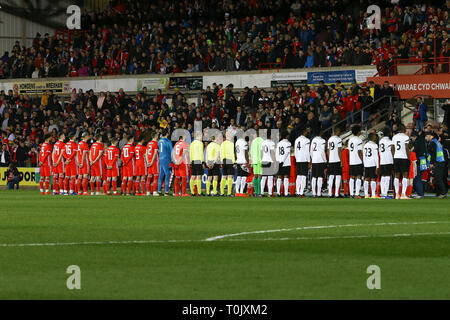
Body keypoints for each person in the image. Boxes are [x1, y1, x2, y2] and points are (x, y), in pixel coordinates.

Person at [425, 132, 447, 198]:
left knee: (438, 178)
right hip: (441, 162)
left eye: (427, 136)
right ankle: (440, 193)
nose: (426, 137)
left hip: (438, 162)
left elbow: (433, 154)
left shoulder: (432, 143)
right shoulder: (437, 142)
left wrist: (432, 163)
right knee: (439, 178)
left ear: (431, 136)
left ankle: (443, 193)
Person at [392, 124, 411, 200]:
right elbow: (406, 148)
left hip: (396, 157)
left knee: (396, 175)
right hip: (404, 157)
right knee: (405, 175)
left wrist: (394, 156)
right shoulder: (406, 137)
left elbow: (392, 148)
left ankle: (396, 194)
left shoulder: (394, 137)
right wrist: (408, 158)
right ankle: (403, 194)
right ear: (404, 130)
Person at [348, 125, 364, 198]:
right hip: (358, 161)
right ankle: (357, 194)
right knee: (358, 176)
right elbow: (359, 151)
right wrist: (362, 160)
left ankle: (351, 193)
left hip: (352, 161)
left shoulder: (350, 140)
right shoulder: (359, 140)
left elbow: (349, 151)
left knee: (352, 177)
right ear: (358, 132)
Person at [327, 127, 343, 198]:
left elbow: (328, 151)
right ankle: (336, 193)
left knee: (331, 176)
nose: (340, 132)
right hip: (337, 160)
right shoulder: (338, 139)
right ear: (337, 131)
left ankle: (330, 193)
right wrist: (341, 161)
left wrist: (329, 158)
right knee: (338, 176)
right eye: (339, 131)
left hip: (331, 160)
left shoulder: (330, 139)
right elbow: (339, 151)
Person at [310, 131, 327, 197]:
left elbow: (311, 151)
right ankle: (319, 193)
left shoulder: (313, 140)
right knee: (320, 177)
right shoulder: (322, 140)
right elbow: (322, 151)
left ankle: (314, 193)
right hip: (320, 160)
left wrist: (313, 158)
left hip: (314, 160)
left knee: (314, 177)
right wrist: (325, 160)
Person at [363, 133, 379, 199]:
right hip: (372, 163)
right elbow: (376, 157)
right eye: (375, 136)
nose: (376, 137)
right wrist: (377, 166)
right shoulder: (375, 145)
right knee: (373, 178)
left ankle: (366, 194)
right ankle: (373, 194)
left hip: (366, 164)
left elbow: (364, 155)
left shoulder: (365, 145)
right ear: (372, 137)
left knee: (366, 179)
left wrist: (364, 164)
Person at [379, 127, 394, 199]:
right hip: (388, 160)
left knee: (383, 176)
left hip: (382, 161)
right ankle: (385, 193)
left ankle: (383, 193)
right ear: (388, 133)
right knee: (387, 177)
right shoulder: (389, 141)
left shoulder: (381, 141)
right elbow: (392, 151)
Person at [157, 129, 173, 196]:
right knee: (167, 174)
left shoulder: (159, 141)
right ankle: (166, 191)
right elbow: (172, 151)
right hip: (166, 159)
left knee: (161, 174)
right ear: (167, 134)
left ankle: (159, 191)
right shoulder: (168, 141)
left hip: (161, 159)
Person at [276, 131, 292, 197]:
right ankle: (285, 193)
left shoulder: (279, 143)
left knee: (279, 177)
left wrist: (278, 160)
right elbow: (286, 153)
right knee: (286, 177)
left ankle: (278, 193)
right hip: (286, 162)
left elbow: (276, 153)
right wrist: (282, 160)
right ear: (286, 136)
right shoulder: (288, 143)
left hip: (279, 161)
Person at [261, 130, 276, 197]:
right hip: (270, 161)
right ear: (270, 136)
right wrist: (275, 162)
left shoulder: (263, 143)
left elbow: (261, 152)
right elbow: (272, 153)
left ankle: (261, 193)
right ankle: (270, 193)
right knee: (270, 178)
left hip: (264, 160)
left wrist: (262, 159)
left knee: (263, 178)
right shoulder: (272, 143)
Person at [220, 131, 235, 197]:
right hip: (230, 160)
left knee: (224, 176)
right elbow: (232, 153)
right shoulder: (231, 144)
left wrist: (221, 161)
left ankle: (222, 192)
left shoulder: (222, 143)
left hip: (224, 160)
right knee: (230, 176)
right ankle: (229, 193)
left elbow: (221, 153)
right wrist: (234, 162)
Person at [189, 131, 204, 196]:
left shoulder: (192, 143)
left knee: (192, 176)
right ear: (199, 136)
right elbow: (201, 153)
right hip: (198, 160)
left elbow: (190, 153)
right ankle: (199, 192)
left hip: (193, 161)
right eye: (201, 135)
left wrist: (190, 161)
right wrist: (203, 162)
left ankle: (192, 192)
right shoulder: (200, 143)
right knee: (199, 177)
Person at [250, 132, 264, 196]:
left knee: (255, 176)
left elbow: (251, 152)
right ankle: (259, 192)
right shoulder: (263, 141)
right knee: (260, 176)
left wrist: (252, 161)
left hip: (255, 160)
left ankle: (256, 192)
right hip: (261, 160)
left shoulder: (253, 141)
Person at [146, 132, 160, 196]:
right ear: (156, 136)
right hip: (154, 162)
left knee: (149, 177)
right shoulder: (156, 143)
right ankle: (154, 191)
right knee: (155, 177)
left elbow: (146, 153)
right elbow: (155, 153)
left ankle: (148, 192)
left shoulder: (148, 143)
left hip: (148, 162)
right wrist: (152, 162)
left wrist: (147, 161)